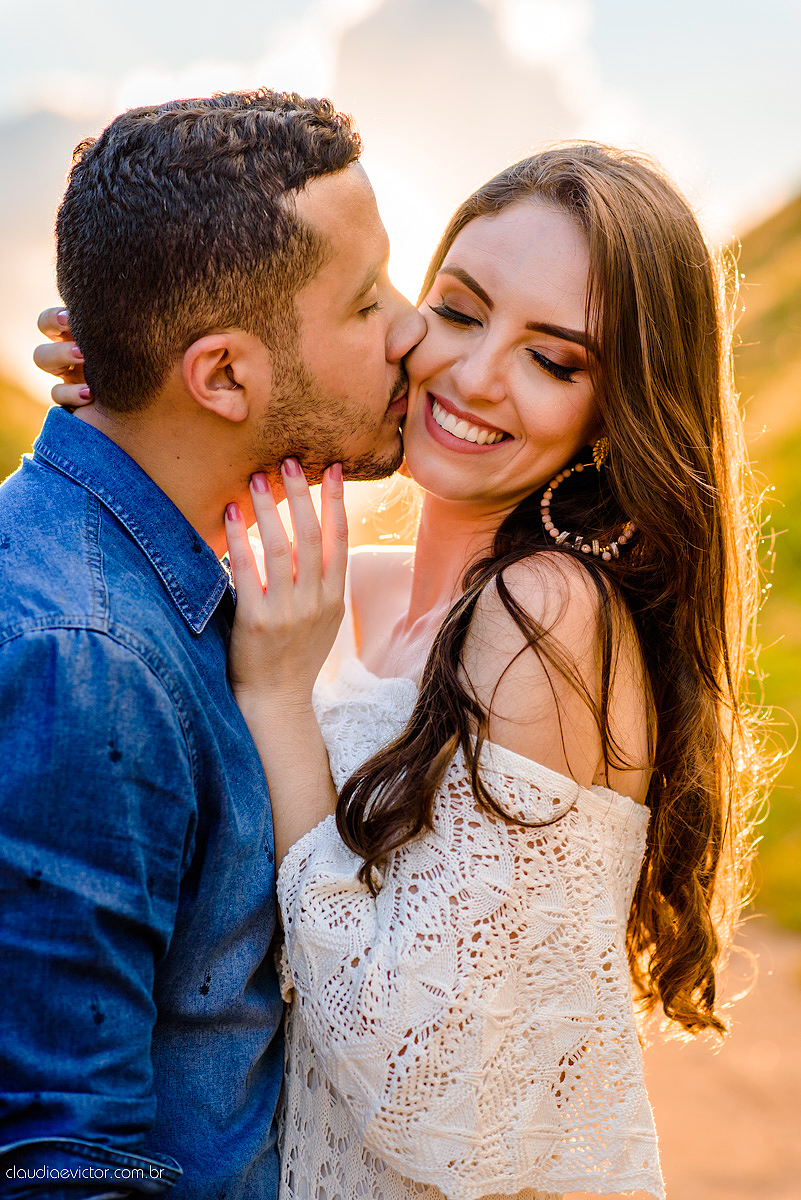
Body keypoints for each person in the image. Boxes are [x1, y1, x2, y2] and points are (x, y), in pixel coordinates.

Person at [33, 145, 765, 1200]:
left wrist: (280, 701)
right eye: (460, 312)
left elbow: (431, 1096)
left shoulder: (548, 616)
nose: (474, 377)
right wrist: (144, 373)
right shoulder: (336, 588)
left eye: (552, 361)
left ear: (618, 411)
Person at [0, 89, 423, 1199]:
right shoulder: (88, 659)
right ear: (225, 376)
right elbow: (63, 1161)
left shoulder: (183, 564)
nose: (414, 328)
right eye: (368, 302)